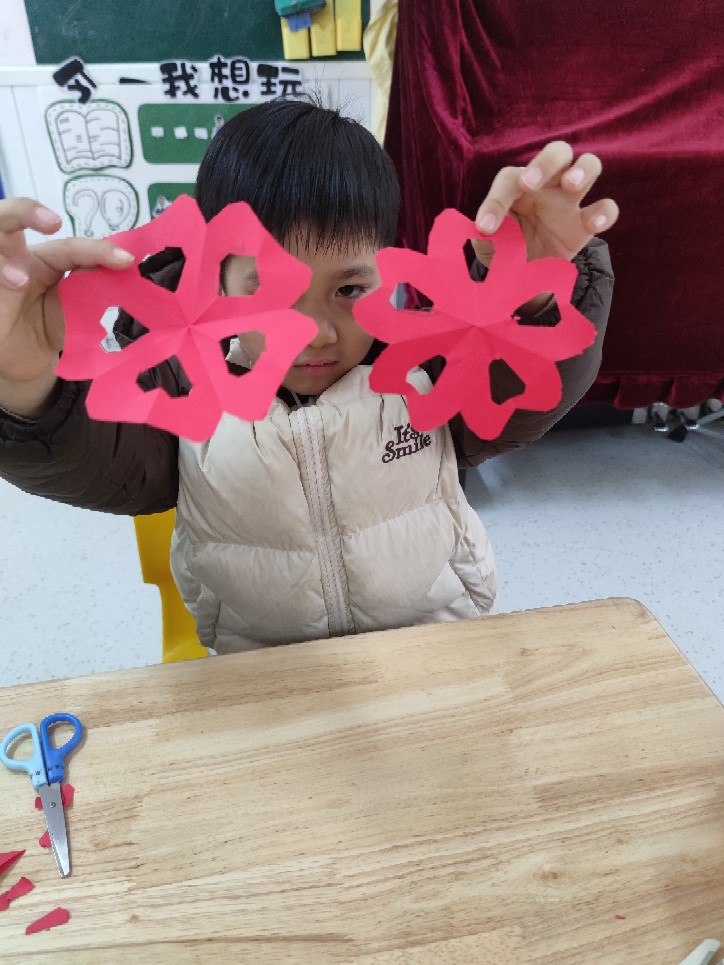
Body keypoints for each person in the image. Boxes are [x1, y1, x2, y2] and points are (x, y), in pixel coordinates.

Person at [0, 98, 616, 654]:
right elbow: (94, 461)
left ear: (389, 270)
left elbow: (525, 391)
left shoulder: (423, 366)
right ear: (215, 279)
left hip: (436, 649)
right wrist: (23, 380)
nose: (315, 332)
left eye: (349, 289)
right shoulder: (182, 390)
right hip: (268, 678)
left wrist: (529, 295)